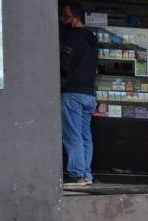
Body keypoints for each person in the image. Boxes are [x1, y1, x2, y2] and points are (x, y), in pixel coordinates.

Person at [59, 2, 99, 187]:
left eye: (66, 17)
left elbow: (64, 66)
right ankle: (87, 175)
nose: (63, 20)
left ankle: (76, 176)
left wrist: (61, 83)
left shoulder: (71, 38)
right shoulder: (92, 40)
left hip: (73, 93)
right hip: (89, 95)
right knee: (85, 136)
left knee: (72, 135)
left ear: (75, 19)